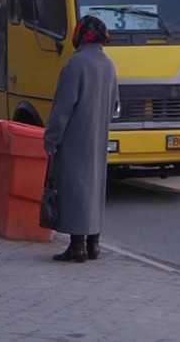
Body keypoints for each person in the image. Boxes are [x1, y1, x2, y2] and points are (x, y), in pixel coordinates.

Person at [42, 15, 120, 263]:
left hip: (75, 137)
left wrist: (51, 139)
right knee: (95, 189)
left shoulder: (75, 65)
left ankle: (77, 246)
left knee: (76, 188)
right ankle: (93, 243)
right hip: (99, 137)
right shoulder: (109, 65)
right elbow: (115, 105)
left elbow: (62, 108)